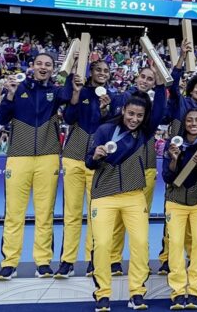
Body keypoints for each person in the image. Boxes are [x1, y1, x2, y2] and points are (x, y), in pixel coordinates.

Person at [0, 53, 73, 280]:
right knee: (13, 214)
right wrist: (9, 95)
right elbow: (0, 119)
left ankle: (43, 262)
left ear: (53, 69)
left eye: (48, 64)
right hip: (19, 157)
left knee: (45, 213)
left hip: (48, 158)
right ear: (32, 66)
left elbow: (68, 94)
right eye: (39, 63)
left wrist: (72, 65)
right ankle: (9, 263)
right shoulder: (18, 89)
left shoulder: (56, 92)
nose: (43, 67)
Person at [86, 86, 166, 312]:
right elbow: (88, 162)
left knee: (140, 244)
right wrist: (96, 156)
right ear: (123, 111)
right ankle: (102, 294)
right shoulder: (104, 130)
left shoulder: (144, 132)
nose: (134, 119)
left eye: (139, 116)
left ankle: (137, 293)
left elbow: (159, 110)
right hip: (104, 196)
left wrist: (160, 84)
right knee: (101, 244)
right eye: (131, 114)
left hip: (134, 196)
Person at [56, 59, 121, 278]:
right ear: (90, 72)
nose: (102, 73)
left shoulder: (111, 97)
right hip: (73, 158)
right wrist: (75, 95)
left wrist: (105, 110)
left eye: (106, 70)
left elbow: (112, 126)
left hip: (97, 161)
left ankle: (95, 259)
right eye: (98, 70)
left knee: (97, 214)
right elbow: (68, 118)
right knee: (72, 213)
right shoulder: (80, 90)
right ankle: (67, 261)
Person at [159, 40, 197, 275]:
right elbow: (172, 84)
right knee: (171, 218)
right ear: (191, 89)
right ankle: (166, 258)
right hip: (177, 158)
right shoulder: (180, 103)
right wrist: (181, 58)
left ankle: (195, 260)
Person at [109, 66, 168, 275]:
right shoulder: (121, 99)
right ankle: (113, 260)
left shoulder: (153, 110)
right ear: (136, 77)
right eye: (142, 76)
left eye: (150, 79)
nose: (145, 80)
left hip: (147, 168)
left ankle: (140, 263)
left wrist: (162, 85)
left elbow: (162, 109)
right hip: (121, 168)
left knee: (141, 221)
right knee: (117, 219)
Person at [162, 108, 197, 310]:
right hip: (175, 201)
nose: (193, 123)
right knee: (175, 244)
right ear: (184, 123)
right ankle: (178, 291)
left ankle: (194, 290)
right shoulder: (173, 143)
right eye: (189, 120)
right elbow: (167, 177)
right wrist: (174, 159)